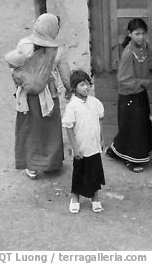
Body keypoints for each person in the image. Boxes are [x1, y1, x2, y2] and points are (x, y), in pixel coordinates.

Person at [5, 13, 72, 180]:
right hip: (50, 94)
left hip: (28, 96)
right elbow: (65, 74)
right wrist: (70, 89)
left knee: (30, 129)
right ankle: (50, 164)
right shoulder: (58, 50)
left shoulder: (24, 43)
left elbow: (14, 66)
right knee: (50, 130)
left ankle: (32, 165)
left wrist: (22, 84)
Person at [106, 18, 152, 173]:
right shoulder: (128, 52)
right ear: (130, 34)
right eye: (137, 34)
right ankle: (131, 159)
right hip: (129, 94)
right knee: (134, 126)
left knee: (137, 125)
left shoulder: (144, 47)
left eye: (143, 33)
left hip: (140, 92)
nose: (140, 37)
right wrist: (142, 82)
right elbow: (123, 79)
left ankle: (115, 151)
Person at [62, 70, 105, 214]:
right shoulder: (72, 106)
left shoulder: (94, 102)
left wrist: (102, 138)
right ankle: (75, 198)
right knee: (79, 173)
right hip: (81, 147)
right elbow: (69, 128)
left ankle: (95, 198)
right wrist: (75, 148)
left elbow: (100, 120)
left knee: (95, 173)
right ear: (74, 87)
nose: (86, 87)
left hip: (94, 146)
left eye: (87, 84)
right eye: (82, 85)